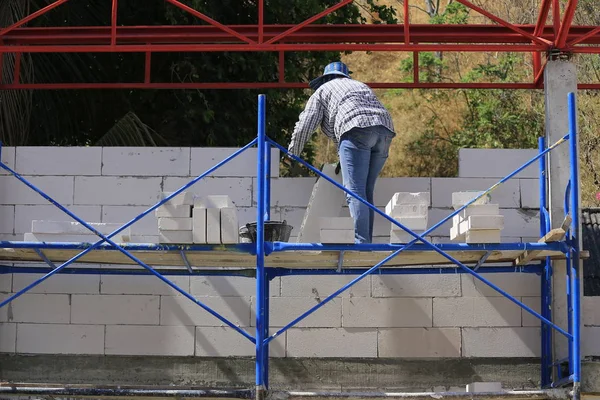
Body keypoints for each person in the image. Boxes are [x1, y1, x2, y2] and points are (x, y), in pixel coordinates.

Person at [284, 61, 395, 244]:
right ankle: (367, 241)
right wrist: (340, 159)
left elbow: (305, 125)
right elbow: (353, 121)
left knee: (355, 191)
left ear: (325, 78)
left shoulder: (323, 90)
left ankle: (362, 243)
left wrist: (292, 153)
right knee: (366, 191)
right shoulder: (360, 86)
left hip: (355, 131)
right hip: (384, 132)